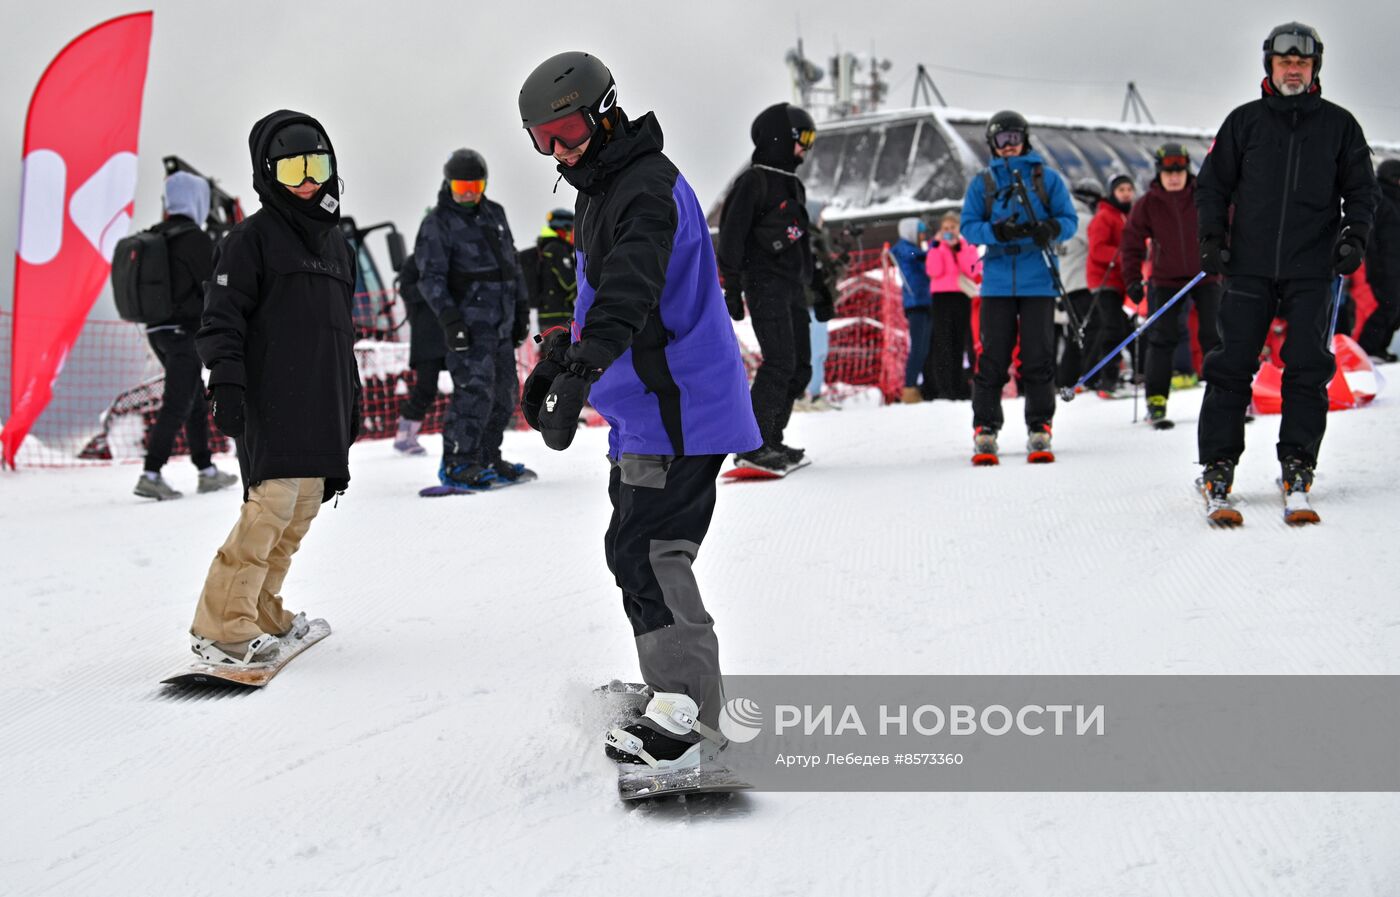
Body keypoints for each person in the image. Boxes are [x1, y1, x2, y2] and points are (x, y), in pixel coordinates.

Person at [517, 51, 761, 768]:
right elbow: (603, 298)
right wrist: (567, 349)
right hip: (645, 410)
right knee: (632, 550)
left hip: (679, 409)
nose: (558, 150)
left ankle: (691, 721)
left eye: (566, 130)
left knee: (652, 553)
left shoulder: (645, 187)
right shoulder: (601, 188)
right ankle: (674, 693)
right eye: (542, 139)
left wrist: (586, 365)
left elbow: (632, 284)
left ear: (603, 111)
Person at [191, 110, 359, 665]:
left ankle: (260, 609)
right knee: (272, 507)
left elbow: (341, 332)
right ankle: (223, 625)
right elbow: (221, 319)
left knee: (302, 507)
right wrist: (227, 384)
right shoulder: (250, 239)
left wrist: (350, 400)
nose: (308, 179)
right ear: (269, 175)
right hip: (274, 395)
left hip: (322, 397)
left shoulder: (338, 244)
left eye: (316, 165)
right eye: (292, 170)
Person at [1195, 22, 1376, 520]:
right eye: (1284, 62)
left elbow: (1363, 191)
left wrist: (1353, 236)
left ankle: (1298, 463)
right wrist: (1211, 238)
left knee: (1307, 366)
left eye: (1302, 62)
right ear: (1269, 66)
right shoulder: (1244, 123)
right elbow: (1211, 186)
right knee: (1231, 365)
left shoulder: (1340, 126)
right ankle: (1217, 466)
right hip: (1249, 266)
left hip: (1312, 268)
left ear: (1314, 67)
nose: (1292, 69)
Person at [959, 110, 1078, 464]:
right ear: (992, 145)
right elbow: (968, 226)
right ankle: (986, 428)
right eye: (1001, 140)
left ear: (1025, 139)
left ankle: (1040, 425)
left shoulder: (1047, 179)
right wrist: (996, 232)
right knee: (993, 357)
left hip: (1038, 280)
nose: (1009, 147)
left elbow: (1069, 220)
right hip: (996, 282)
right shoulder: (983, 183)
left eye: (1014, 138)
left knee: (1038, 356)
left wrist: (1051, 229)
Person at [413, 149, 532, 489]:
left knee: (505, 395)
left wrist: (522, 311)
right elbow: (430, 278)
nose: (468, 193)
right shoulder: (438, 223)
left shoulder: (495, 213)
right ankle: (458, 462)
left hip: (501, 325)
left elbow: (512, 266)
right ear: (449, 183)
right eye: (462, 185)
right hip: (468, 326)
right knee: (474, 393)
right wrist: (450, 321)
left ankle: (486, 456)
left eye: (475, 185)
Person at [717, 101, 819, 472]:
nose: (806, 148)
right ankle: (753, 444)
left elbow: (803, 240)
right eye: (802, 138)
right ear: (780, 138)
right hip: (763, 284)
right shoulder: (753, 181)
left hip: (793, 287)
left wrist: (817, 288)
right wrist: (731, 286)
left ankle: (772, 437)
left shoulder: (794, 184)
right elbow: (731, 237)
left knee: (801, 368)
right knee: (779, 362)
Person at [133, 172, 238, 500]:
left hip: (157, 331)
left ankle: (206, 471)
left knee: (192, 398)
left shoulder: (157, 234)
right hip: (183, 332)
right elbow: (214, 282)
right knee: (179, 401)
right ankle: (151, 473)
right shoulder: (194, 238)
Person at [1121, 143, 1223, 427]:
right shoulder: (1149, 203)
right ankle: (1156, 400)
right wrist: (1132, 280)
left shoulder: (1203, 194)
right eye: (1168, 171)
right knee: (1162, 338)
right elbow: (1130, 244)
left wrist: (1227, 256)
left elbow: (1229, 222)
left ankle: (1224, 397)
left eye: (1179, 170)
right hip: (1165, 279)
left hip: (1205, 276)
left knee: (1214, 337)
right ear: (1159, 172)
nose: (1174, 176)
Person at [1085, 173, 1136, 398]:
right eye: (1121, 190)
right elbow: (1097, 249)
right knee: (1113, 328)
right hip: (1103, 281)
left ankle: (1128, 373)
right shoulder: (1105, 216)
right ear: (1112, 193)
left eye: (1129, 189)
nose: (1126, 194)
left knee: (1125, 327)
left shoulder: (1129, 215)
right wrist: (1125, 255)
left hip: (1120, 281)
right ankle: (1108, 379)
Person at [390, 252, 445, 456]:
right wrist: (432, 287)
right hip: (426, 337)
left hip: (451, 333)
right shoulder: (415, 262)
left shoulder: (451, 256)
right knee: (426, 388)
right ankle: (404, 436)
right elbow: (406, 291)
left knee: (465, 386)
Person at [925, 211, 981, 401]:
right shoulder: (935, 246)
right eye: (945, 228)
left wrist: (959, 249)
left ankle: (960, 385)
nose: (949, 232)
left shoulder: (967, 246)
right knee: (943, 343)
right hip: (942, 297)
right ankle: (944, 387)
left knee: (962, 342)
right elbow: (933, 270)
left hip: (962, 296)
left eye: (952, 228)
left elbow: (973, 270)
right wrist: (940, 247)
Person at [1055, 179, 1102, 388]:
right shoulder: (1084, 220)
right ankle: (1090, 376)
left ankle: (1066, 379)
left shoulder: (1061, 220)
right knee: (1094, 330)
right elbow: (1098, 246)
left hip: (1065, 286)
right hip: (1082, 283)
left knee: (1075, 334)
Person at [1359, 159, 1400, 362]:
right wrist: (1373, 265)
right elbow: (1371, 236)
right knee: (1386, 307)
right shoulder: (1381, 199)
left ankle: (1380, 348)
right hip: (1383, 267)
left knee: (1394, 308)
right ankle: (1368, 350)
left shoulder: (1394, 201)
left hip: (1394, 266)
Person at [890, 217, 931, 403]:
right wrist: (933, 248)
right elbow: (915, 257)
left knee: (924, 347)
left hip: (924, 300)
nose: (923, 235)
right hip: (916, 302)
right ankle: (909, 386)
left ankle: (917, 385)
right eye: (920, 230)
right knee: (918, 347)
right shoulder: (906, 249)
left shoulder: (914, 249)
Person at [521, 207, 578, 332]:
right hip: (560, 318)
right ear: (565, 230)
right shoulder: (557, 249)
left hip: (545, 317)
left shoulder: (545, 248)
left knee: (550, 351)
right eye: (574, 229)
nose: (576, 235)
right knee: (562, 351)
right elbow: (570, 283)